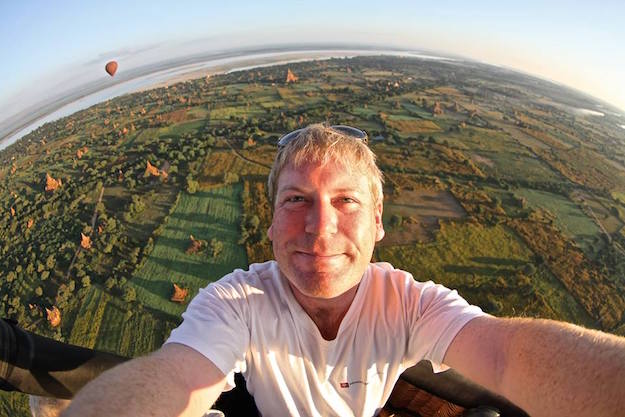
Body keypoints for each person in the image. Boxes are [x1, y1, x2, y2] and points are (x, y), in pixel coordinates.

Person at [62, 123, 625, 417]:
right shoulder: (235, 303)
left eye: (347, 201)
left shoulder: (408, 302)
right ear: (270, 220)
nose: (320, 227)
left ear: (379, 222)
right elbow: (177, 376)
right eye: (296, 200)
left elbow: (506, 354)